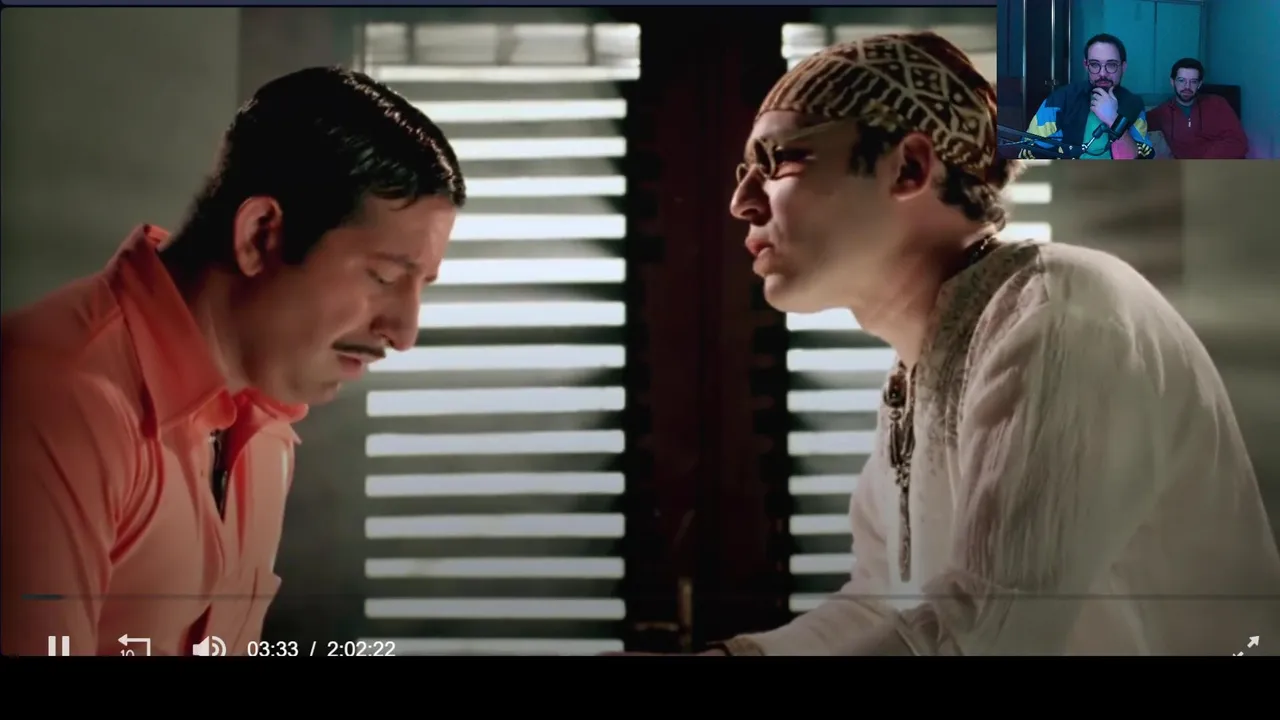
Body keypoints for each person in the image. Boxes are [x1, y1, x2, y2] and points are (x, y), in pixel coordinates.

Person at [702, 30, 1279, 655]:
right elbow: (881, 604)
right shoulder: (922, 363)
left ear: (909, 167)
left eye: (778, 160)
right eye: (744, 172)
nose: (741, 202)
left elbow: (990, 631)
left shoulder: (1061, 310)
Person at [0, 67, 465, 656]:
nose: (404, 333)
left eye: (422, 287)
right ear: (260, 235)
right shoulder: (52, 395)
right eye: (385, 277)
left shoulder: (267, 429)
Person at [1022, 33, 1153, 160]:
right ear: (1086, 65)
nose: (1103, 73)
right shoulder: (1059, 101)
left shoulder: (1133, 104)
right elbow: (1027, 152)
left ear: (1123, 67)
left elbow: (1139, 160)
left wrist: (1113, 120)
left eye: (1111, 65)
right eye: (1095, 64)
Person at [1146, 58, 1248, 159]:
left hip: (1226, 165)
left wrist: (1205, 161)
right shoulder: (1163, 113)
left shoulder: (1217, 103)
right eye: (1181, 80)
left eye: (1193, 82)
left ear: (1199, 84)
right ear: (1172, 82)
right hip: (1190, 167)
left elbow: (1240, 143)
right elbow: (1139, 123)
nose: (1187, 87)